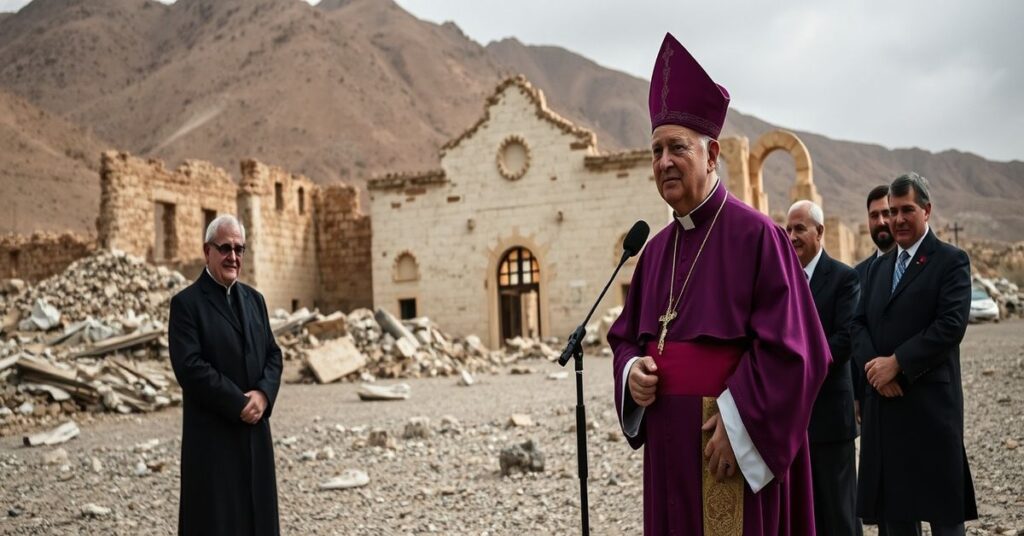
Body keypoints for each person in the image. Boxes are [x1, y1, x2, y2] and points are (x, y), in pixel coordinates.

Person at [609, 32, 830, 535]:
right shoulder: (655, 251)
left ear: (712, 156)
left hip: (725, 449)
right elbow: (625, 338)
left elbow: (799, 354)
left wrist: (742, 427)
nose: (664, 160)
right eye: (656, 150)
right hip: (669, 454)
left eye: (677, 148)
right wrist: (632, 374)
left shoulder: (760, 237)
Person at [851, 173, 977, 536]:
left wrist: (898, 365)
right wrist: (876, 370)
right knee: (896, 518)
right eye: (892, 212)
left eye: (907, 210)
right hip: (885, 411)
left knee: (943, 515)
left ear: (927, 211)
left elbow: (950, 325)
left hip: (930, 410)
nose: (898, 219)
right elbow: (857, 324)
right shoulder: (877, 268)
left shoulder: (951, 261)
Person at [169, 215, 283, 536]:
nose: (233, 256)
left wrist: (262, 394)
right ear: (207, 251)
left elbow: (273, 354)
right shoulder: (187, 304)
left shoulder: (254, 300)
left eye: (239, 249)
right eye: (225, 248)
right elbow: (190, 367)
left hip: (255, 436)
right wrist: (238, 403)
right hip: (213, 441)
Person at [786, 200, 862, 536]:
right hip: (792, 419)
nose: (792, 237)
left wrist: (798, 368)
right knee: (806, 514)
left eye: (799, 228)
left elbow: (845, 340)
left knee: (839, 511)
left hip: (830, 417)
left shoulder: (845, 279)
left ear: (819, 232)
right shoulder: (783, 280)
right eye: (788, 229)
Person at [853, 184, 897, 534]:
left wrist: (898, 369)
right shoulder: (861, 274)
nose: (882, 221)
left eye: (887, 212)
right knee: (888, 505)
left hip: (916, 393)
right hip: (875, 399)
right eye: (875, 215)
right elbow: (857, 331)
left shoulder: (927, 265)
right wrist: (869, 381)